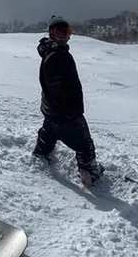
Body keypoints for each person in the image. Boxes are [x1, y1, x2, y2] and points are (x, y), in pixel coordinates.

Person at [32, 14, 105, 186]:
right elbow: (60, 89)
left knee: (49, 131)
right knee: (84, 144)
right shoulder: (58, 55)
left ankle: (41, 153)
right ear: (51, 33)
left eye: (66, 31)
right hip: (65, 112)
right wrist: (72, 113)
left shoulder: (51, 51)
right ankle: (89, 174)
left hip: (52, 110)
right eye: (59, 31)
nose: (63, 35)